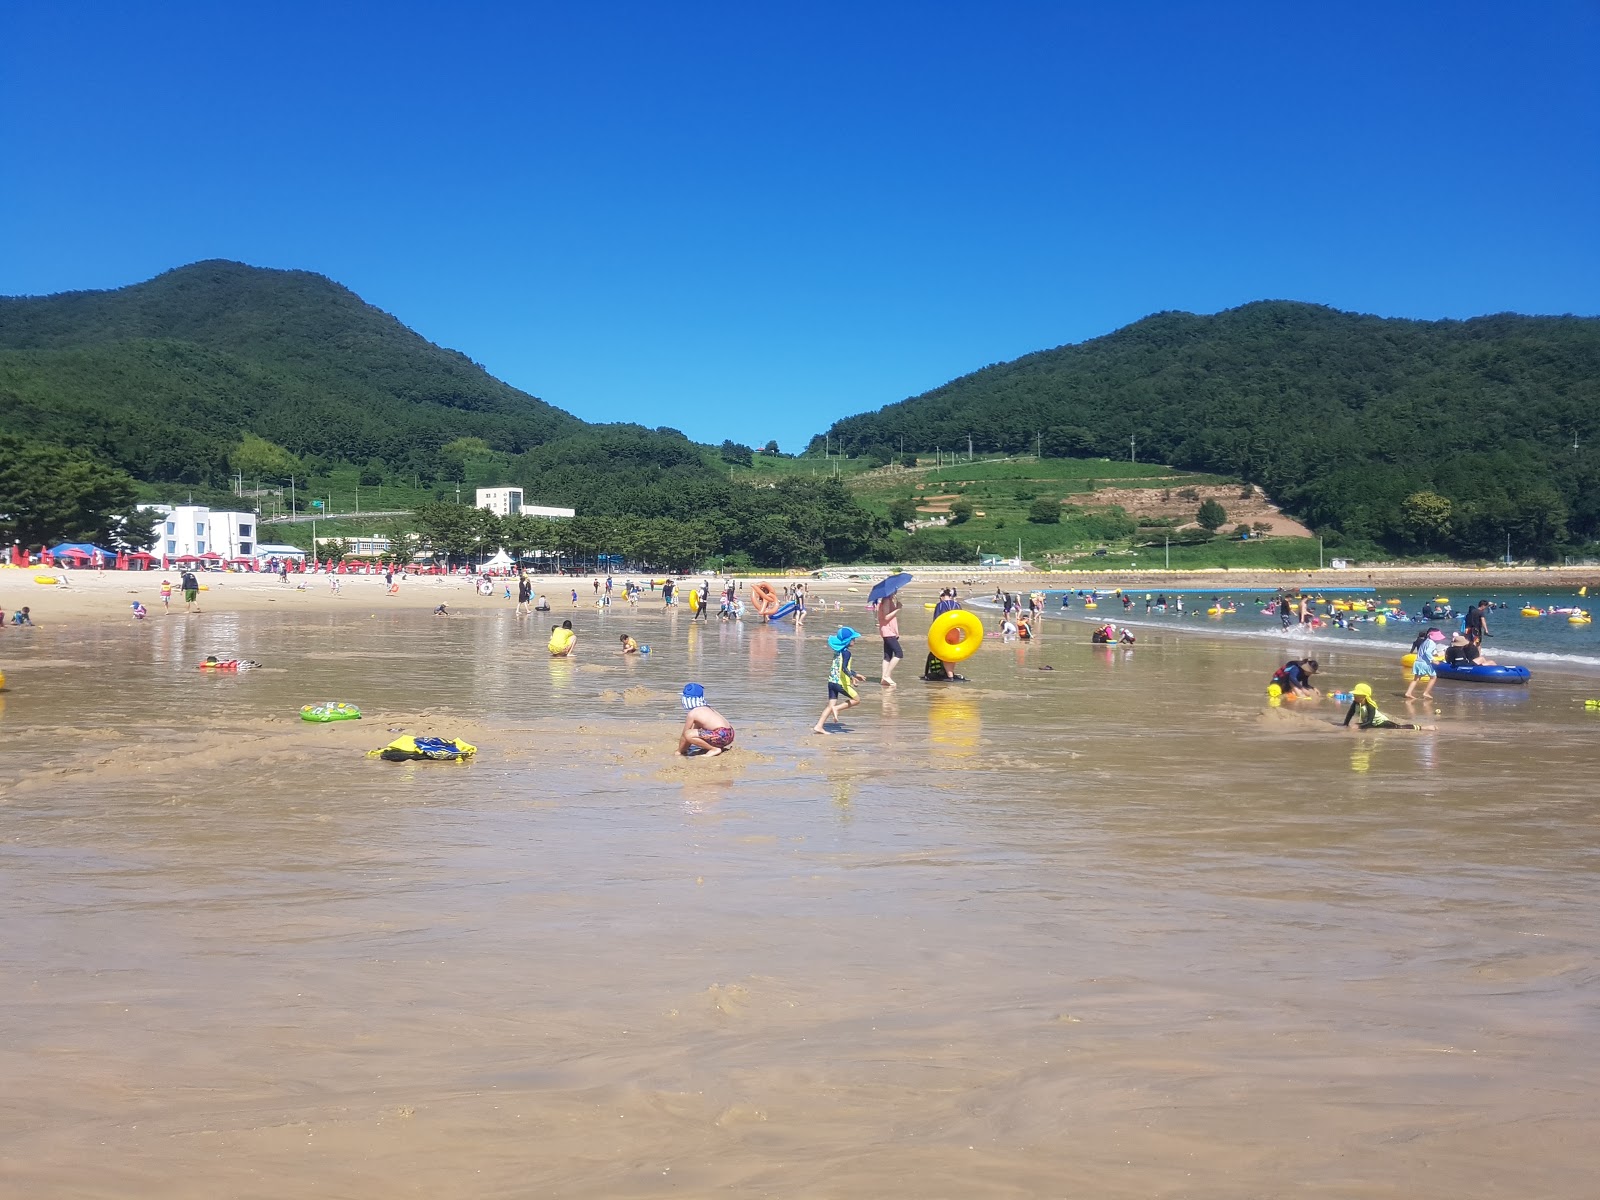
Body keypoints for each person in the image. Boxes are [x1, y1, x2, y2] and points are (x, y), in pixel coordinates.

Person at [814, 627, 865, 734]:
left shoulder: (838, 652)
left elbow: (843, 667)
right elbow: (844, 668)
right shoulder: (847, 653)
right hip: (840, 683)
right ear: (848, 641)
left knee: (830, 705)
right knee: (857, 699)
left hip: (831, 682)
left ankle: (819, 726)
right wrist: (852, 677)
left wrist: (855, 674)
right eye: (853, 639)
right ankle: (837, 709)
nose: (854, 641)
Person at [678, 683, 735, 756]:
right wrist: (685, 749)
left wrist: (679, 751)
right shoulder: (707, 708)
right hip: (730, 733)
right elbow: (695, 732)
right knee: (692, 733)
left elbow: (685, 735)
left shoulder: (693, 713)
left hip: (721, 734)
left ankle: (714, 749)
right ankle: (716, 746)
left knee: (688, 733)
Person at [1342, 682, 1421, 730]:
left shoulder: (1370, 706)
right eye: (1355, 695)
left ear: (1364, 696)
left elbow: (1369, 722)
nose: (1355, 697)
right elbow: (1349, 714)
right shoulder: (1355, 703)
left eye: (1357, 695)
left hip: (1381, 722)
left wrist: (1358, 726)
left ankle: (1422, 728)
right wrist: (1345, 724)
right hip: (1371, 724)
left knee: (1398, 727)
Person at [876, 589, 904, 687]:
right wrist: (897, 609)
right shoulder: (887, 600)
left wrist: (896, 606)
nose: (895, 592)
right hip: (888, 631)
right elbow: (886, 617)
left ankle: (884, 678)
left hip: (888, 631)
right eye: (894, 591)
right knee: (899, 653)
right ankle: (887, 675)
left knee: (887, 655)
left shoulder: (887, 600)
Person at [1404, 630, 1439, 699]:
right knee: (1433, 677)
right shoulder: (1432, 643)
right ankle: (1426, 693)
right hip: (1425, 663)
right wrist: (1433, 660)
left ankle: (1408, 693)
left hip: (1418, 662)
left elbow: (1423, 651)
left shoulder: (1425, 641)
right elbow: (1427, 652)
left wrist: (1435, 654)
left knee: (1416, 679)